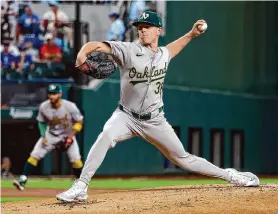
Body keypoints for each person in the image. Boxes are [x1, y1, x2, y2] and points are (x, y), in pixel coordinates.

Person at [56, 11, 259, 202]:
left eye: (147, 26)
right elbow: (96, 45)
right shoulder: (128, 50)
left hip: (155, 120)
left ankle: (230, 175)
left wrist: (192, 34)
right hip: (126, 116)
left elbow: (175, 48)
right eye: (140, 27)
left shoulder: (163, 54)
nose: (142, 30)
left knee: (183, 159)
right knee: (106, 136)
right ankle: (81, 185)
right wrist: (82, 56)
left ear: (158, 31)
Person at [13, 84, 84, 191]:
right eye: (50, 93)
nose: (51, 96)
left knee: (76, 160)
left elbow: (79, 121)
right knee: (35, 155)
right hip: (51, 135)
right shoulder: (44, 107)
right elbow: (41, 122)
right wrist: (43, 135)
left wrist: (71, 136)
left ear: (60, 94)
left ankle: (81, 184)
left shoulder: (70, 106)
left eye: (54, 94)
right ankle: (22, 180)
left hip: (67, 135)